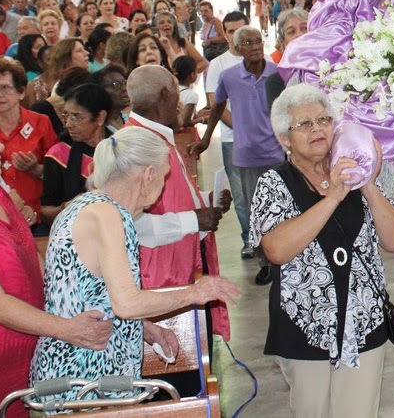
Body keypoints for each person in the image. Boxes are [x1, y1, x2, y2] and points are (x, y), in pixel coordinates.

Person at [29, 126, 241, 403]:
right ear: (149, 175)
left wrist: (146, 329)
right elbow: (126, 303)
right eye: (164, 178)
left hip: (80, 373)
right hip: (83, 379)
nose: (163, 187)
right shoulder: (107, 214)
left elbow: (94, 297)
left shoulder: (90, 205)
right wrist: (195, 292)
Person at [249, 84, 394, 417]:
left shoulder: (351, 171)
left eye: (323, 120)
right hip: (305, 325)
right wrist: (333, 197)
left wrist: (367, 185)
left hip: (363, 321)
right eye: (304, 124)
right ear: (284, 138)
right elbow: (276, 249)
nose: (317, 128)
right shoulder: (274, 183)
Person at [0, 115, 112, 418]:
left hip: (35, 343)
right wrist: (66, 329)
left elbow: (33, 256)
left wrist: (71, 308)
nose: (0, 145)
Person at [124, 65, 233, 342]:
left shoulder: (157, 135)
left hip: (181, 268)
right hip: (161, 281)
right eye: (176, 92)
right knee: (176, 369)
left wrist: (208, 202)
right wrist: (195, 220)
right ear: (165, 96)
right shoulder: (134, 145)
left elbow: (173, 199)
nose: (181, 102)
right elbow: (129, 224)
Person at [192, 26, 286, 286]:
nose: (255, 46)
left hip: (277, 152)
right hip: (246, 154)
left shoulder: (276, 73)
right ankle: (265, 261)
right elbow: (217, 106)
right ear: (238, 48)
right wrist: (206, 138)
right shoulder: (229, 76)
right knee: (256, 210)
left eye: (258, 41)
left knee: (282, 206)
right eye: (247, 42)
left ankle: (284, 258)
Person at [0, 59, 60, 228]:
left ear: (21, 92)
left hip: (37, 219)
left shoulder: (41, 122)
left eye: (5, 87)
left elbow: (58, 172)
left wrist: (37, 169)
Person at [204, 11, 253, 258]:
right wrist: (246, 130)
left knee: (266, 190)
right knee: (242, 195)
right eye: (231, 31)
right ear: (225, 34)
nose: (236, 36)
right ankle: (250, 240)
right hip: (233, 140)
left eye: (240, 30)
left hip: (265, 140)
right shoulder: (218, 65)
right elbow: (216, 104)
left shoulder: (262, 60)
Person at [40, 84, 111, 224]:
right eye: (66, 115)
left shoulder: (119, 149)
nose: (68, 124)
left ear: (100, 118)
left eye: (77, 117)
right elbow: (45, 212)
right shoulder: (58, 155)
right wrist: (66, 208)